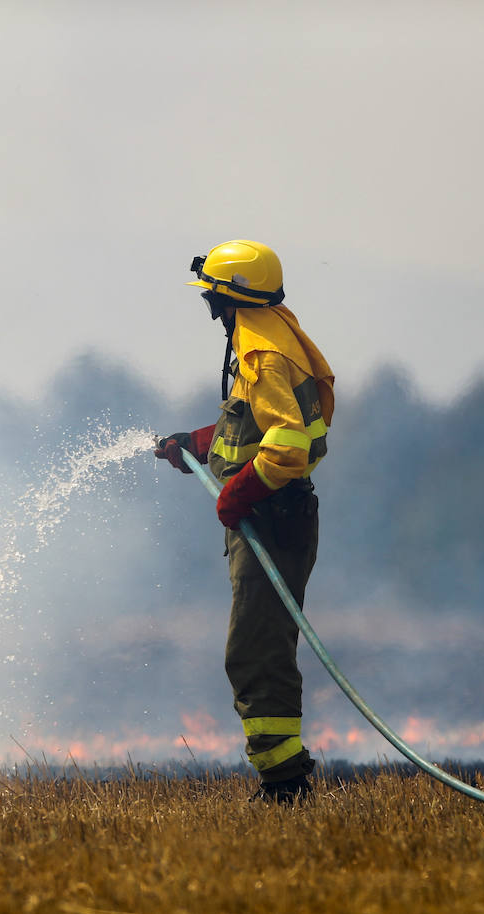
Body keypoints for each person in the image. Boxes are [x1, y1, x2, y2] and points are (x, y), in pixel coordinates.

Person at [154, 239, 335, 804]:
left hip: (271, 518)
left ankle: (286, 787)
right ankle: (284, 781)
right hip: (274, 514)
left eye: (211, 293)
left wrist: (235, 494)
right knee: (257, 649)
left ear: (228, 297)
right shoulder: (270, 333)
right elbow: (252, 426)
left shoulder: (262, 354)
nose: (208, 303)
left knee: (255, 654)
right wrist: (198, 445)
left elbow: (286, 450)